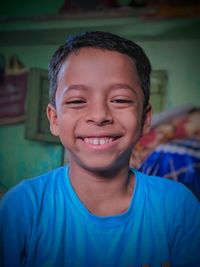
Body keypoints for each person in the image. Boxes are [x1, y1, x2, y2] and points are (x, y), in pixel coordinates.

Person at [0, 31, 200, 267]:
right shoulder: (23, 206)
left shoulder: (177, 206)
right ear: (54, 119)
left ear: (145, 119)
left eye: (120, 100)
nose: (99, 116)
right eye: (76, 101)